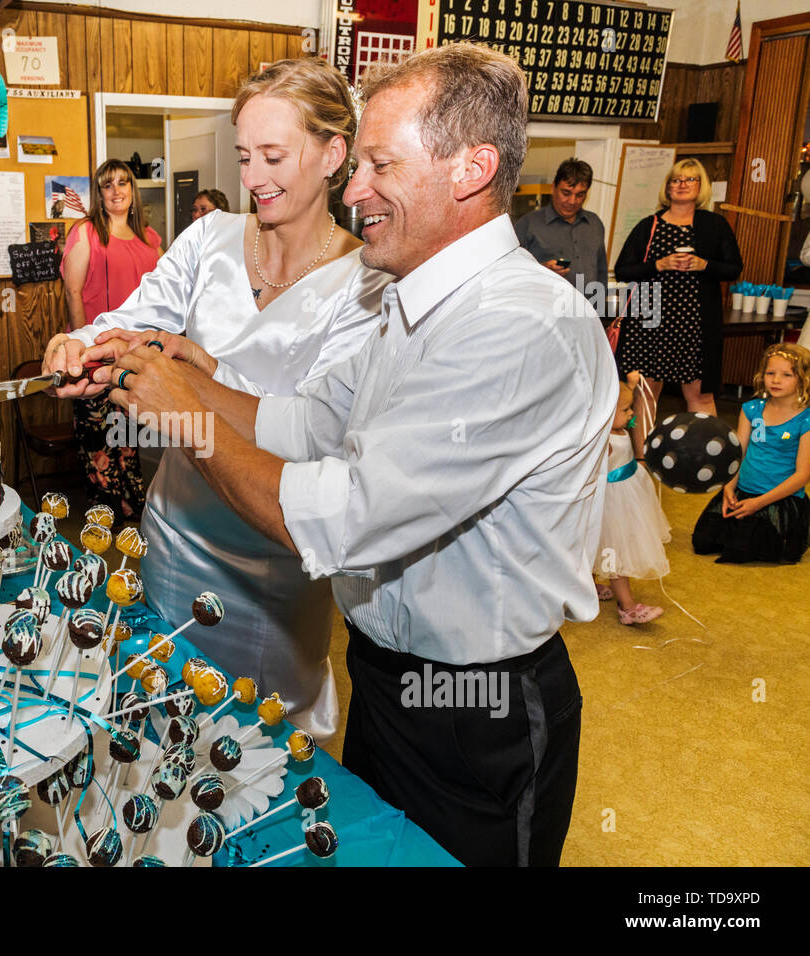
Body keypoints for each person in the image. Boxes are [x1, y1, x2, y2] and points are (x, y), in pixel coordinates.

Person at [94, 43, 618, 866]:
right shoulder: (413, 299)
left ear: (471, 169)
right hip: (385, 680)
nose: (356, 188)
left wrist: (189, 420)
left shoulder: (519, 325)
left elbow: (342, 515)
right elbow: (306, 421)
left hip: (477, 706)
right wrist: (196, 381)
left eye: (379, 164)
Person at [43, 58, 387, 741]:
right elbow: (137, 316)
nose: (252, 177)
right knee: (160, 715)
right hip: (175, 528)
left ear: (333, 154)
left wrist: (204, 367)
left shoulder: (367, 283)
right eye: (242, 156)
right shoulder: (209, 241)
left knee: (257, 746)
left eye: (273, 156)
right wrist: (78, 344)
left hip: (275, 556)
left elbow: (319, 433)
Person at [59, 159, 164, 520]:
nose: (117, 190)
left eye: (123, 183)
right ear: (99, 194)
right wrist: (84, 352)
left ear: (133, 191)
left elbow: (163, 300)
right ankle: (104, 516)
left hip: (136, 356)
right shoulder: (87, 232)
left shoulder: (151, 239)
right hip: (95, 355)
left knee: (128, 435)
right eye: (108, 185)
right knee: (98, 441)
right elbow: (73, 291)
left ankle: (134, 506)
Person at [614, 159, 743, 440]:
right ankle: (644, 462)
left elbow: (734, 268)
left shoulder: (714, 225)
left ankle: (709, 458)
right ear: (668, 187)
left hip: (694, 322)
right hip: (649, 317)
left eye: (690, 179)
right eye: (676, 180)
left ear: (701, 186)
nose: (681, 185)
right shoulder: (650, 225)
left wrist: (704, 265)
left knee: (699, 395)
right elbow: (623, 269)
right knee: (646, 393)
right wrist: (659, 265)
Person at [693, 343, 810, 563]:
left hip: (778, 498)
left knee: (747, 550)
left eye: (786, 375)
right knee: (703, 542)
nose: (776, 380)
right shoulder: (751, 409)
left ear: (803, 379)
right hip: (743, 491)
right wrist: (728, 488)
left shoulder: (806, 419)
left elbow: (803, 475)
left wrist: (759, 503)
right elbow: (738, 454)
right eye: (770, 373)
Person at [595, 374, 669, 624]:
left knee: (600, 547)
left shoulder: (620, 430)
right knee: (615, 551)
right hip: (611, 503)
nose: (631, 415)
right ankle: (627, 607)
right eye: (626, 410)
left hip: (628, 495)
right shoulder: (604, 441)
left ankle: (590, 584)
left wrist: (633, 387)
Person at [513, 157, 607, 293]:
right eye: (566, 193)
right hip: (545, 310)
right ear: (553, 188)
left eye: (580, 195)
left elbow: (601, 273)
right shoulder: (528, 225)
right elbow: (511, 272)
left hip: (588, 311)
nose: (572, 201)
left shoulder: (594, 223)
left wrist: (601, 311)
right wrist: (542, 269)